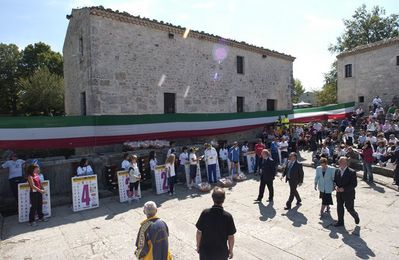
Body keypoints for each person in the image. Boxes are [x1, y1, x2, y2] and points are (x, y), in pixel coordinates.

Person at [196, 187, 236, 260]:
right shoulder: (228, 217)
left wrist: (198, 246)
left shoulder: (205, 213)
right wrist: (230, 250)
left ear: (212, 198)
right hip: (221, 253)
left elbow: (199, 232)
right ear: (224, 199)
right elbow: (231, 237)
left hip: (205, 252)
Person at [333, 157, 360, 227]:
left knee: (349, 208)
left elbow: (354, 184)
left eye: (342, 162)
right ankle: (340, 221)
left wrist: (344, 189)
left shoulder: (352, 172)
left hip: (349, 194)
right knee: (339, 207)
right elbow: (334, 181)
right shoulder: (337, 171)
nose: (340, 163)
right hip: (339, 193)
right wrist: (335, 187)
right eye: (339, 161)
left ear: (346, 163)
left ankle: (355, 215)